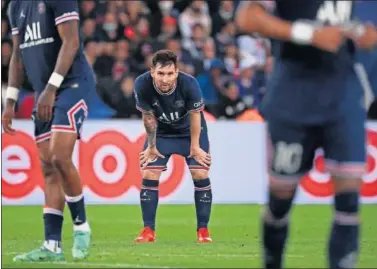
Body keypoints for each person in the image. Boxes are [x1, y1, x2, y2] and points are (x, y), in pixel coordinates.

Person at [236, 1, 377, 269]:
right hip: (293, 96)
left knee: (349, 197)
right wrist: (308, 34)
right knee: (281, 195)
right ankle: (273, 261)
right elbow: (247, 17)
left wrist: (368, 35)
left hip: (344, 95)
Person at [2, 0, 95, 262]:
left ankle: (81, 228)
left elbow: (72, 42)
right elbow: (18, 56)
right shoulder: (15, 6)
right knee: (48, 167)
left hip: (71, 85)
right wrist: (10, 101)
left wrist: (52, 89)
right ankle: (52, 246)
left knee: (59, 156)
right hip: (45, 91)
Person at [133, 50, 213, 243]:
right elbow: (148, 118)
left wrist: (195, 147)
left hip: (189, 132)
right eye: (160, 74)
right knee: (149, 173)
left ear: (177, 72)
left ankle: (203, 230)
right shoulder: (142, 84)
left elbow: (196, 116)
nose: (165, 79)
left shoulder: (189, 83)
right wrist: (151, 146)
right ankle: (148, 230)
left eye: (169, 74)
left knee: (200, 173)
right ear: (152, 72)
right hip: (161, 133)